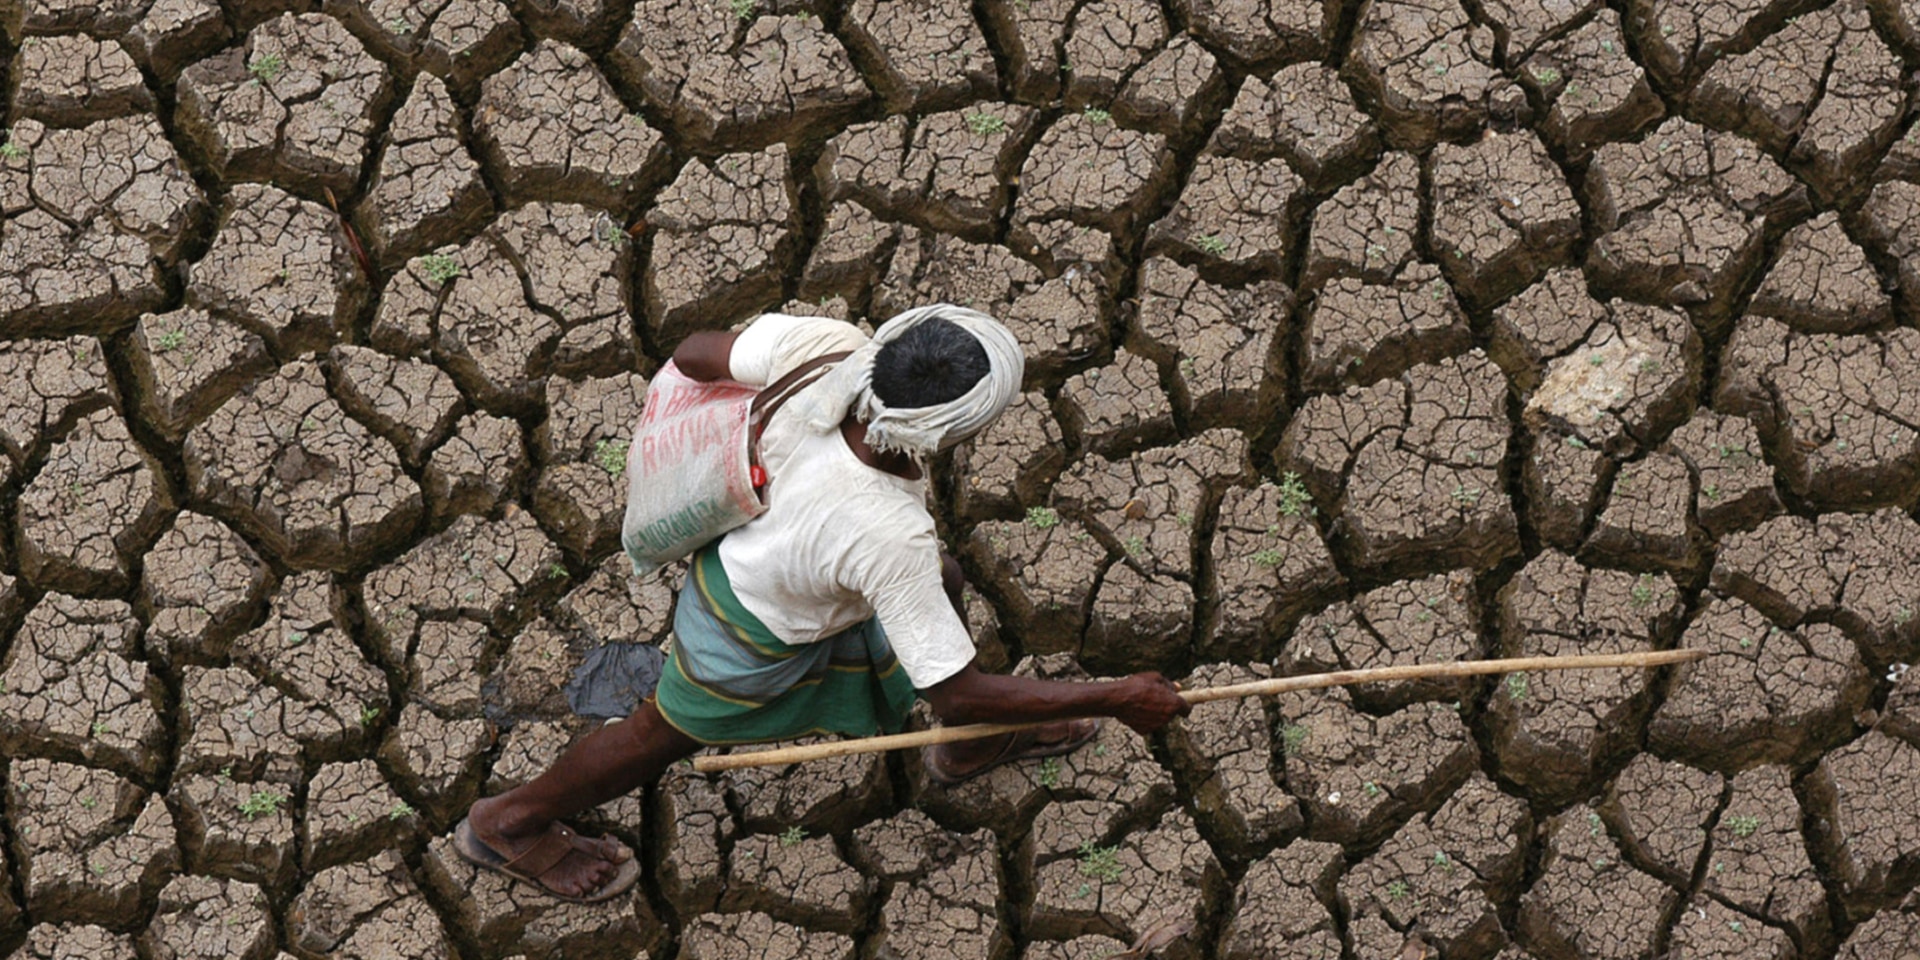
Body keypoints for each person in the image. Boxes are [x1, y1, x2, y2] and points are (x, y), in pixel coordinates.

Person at [453, 305, 1191, 902]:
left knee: (945, 582)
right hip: (746, 624)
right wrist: (1119, 695)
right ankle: (509, 823)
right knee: (661, 732)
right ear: (952, 433)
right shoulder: (885, 531)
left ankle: (969, 742)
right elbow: (951, 682)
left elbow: (696, 352)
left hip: (758, 540)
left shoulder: (829, 346)